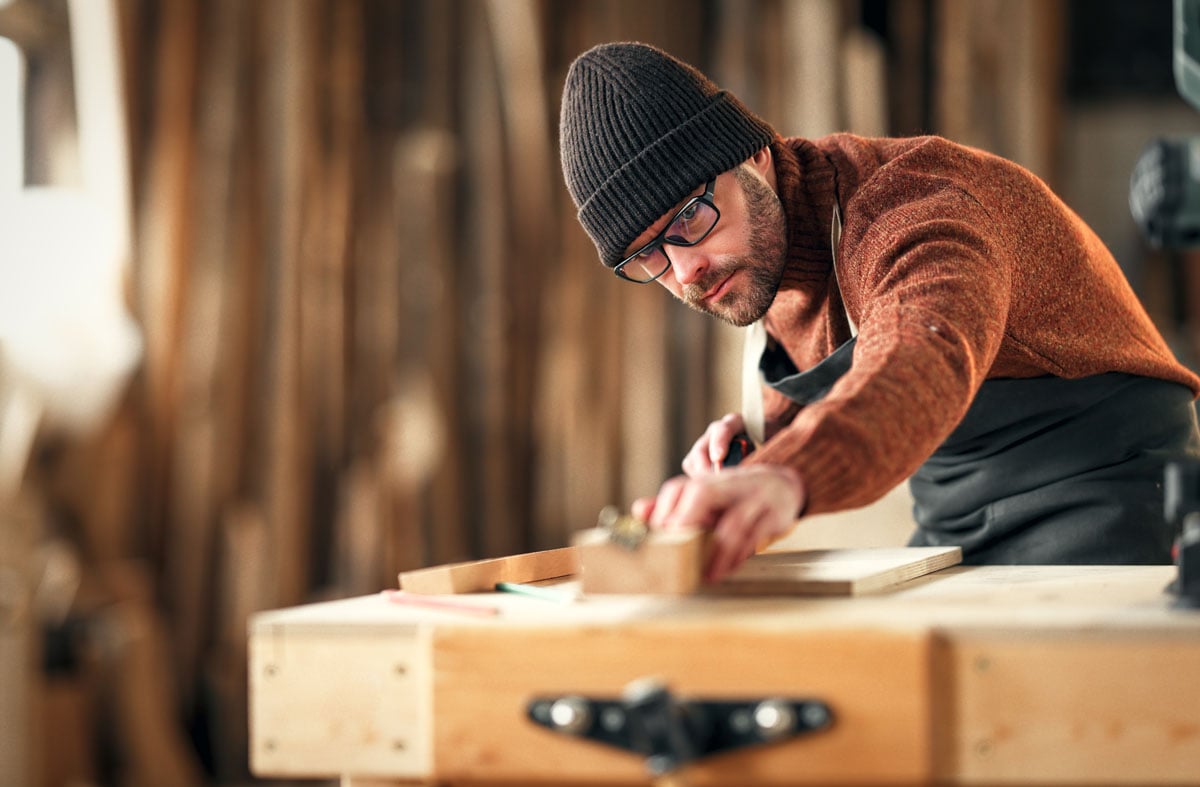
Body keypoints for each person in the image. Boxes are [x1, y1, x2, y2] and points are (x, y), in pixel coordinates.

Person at [557, 41, 1200, 581]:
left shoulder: (912, 205)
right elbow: (838, 370)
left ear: (751, 156)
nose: (685, 270)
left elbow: (921, 352)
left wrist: (786, 474)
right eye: (648, 258)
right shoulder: (759, 258)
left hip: (1109, 492)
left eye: (690, 216)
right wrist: (757, 455)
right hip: (953, 520)